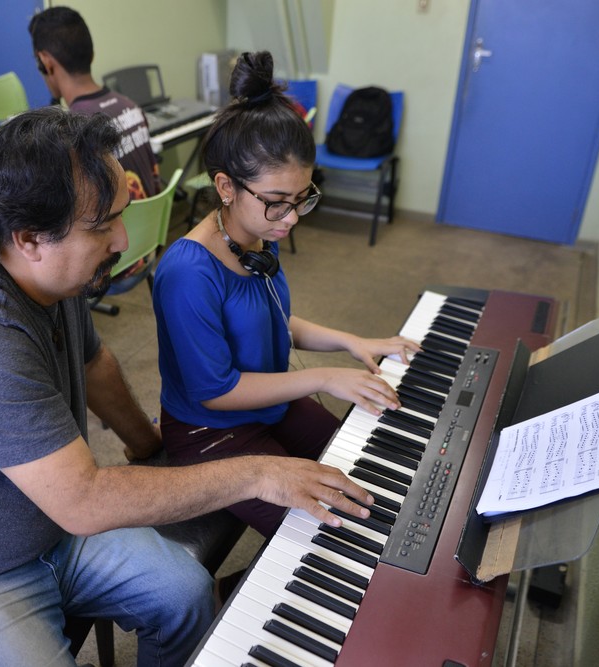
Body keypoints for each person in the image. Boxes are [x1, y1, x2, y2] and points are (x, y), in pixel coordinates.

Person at [0, 107, 375, 667]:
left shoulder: (50, 276)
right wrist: (259, 474)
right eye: (102, 226)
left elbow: (95, 364)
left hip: (43, 528)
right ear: (29, 238)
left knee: (187, 596)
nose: (122, 237)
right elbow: (84, 501)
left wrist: (147, 445)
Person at [152, 52, 421, 539]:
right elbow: (217, 392)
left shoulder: (254, 236)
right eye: (278, 204)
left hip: (269, 405)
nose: (292, 219)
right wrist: (323, 378)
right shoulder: (187, 273)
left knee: (365, 474)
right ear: (226, 187)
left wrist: (353, 342)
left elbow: (271, 319)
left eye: (302, 200)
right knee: (329, 532)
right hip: (210, 430)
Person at [29, 6, 160, 200]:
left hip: (118, 229)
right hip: (152, 228)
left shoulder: (71, 132)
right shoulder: (130, 106)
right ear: (92, 55)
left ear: (45, 62)